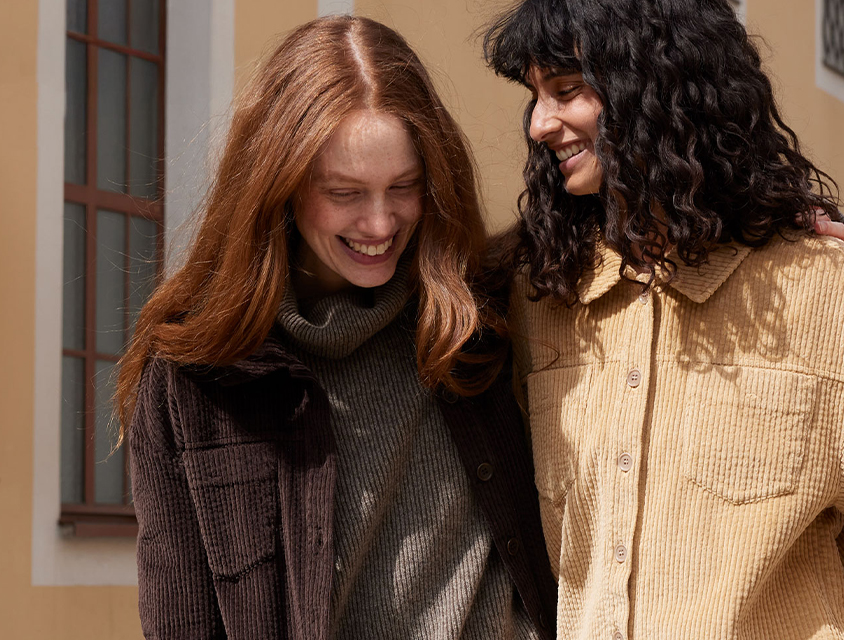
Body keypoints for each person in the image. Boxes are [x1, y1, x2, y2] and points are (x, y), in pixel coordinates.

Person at [483, 1, 844, 639]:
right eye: (535, 96)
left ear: (653, 87)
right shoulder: (540, 298)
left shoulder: (834, 299)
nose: (540, 124)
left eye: (567, 91)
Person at [117, 16, 558, 639]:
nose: (380, 224)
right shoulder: (194, 373)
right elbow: (179, 620)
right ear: (281, 185)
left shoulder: (478, 316)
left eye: (403, 187)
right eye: (345, 193)